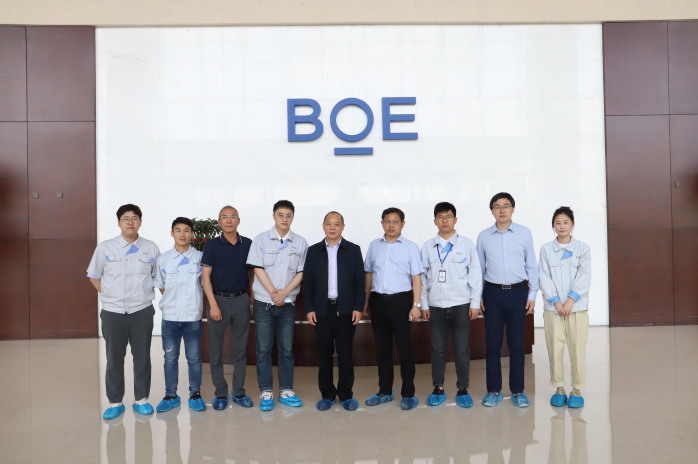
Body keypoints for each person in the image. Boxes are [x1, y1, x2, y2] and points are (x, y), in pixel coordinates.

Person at [87, 204, 160, 420]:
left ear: (140, 222)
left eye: (134, 218)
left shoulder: (150, 248)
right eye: (126, 218)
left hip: (142, 311)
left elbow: (158, 277)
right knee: (114, 358)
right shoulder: (105, 248)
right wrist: (110, 294)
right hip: (113, 312)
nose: (130, 222)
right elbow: (94, 276)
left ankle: (141, 399)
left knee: (142, 357)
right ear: (119, 222)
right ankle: (115, 402)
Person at [476, 192, 538, 408]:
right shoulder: (484, 236)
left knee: (517, 345)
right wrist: (478, 297)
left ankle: (518, 391)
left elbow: (531, 265)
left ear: (513, 209)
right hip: (492, 294)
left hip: (518, 293)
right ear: (491, 211)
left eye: (506, 206)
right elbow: (478, 269)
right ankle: (493, 390)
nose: (501, 210)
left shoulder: (524, 233)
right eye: (497, 206)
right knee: (492, 344)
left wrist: (532, 294)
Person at [246, 200, 308, 411]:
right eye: (280, 215)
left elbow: (301, 273)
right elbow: (257, 269)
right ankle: (266, 391)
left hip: (287, 303)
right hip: (264, 303)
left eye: (288, 215)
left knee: (286, 349)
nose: (284, 219)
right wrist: (274, 292)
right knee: (263, 349)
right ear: (273, 216)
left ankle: (286, 390)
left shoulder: (300, 243)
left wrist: (284, 293)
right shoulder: (260, 240)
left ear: (293, 217)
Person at [420, 202, 483, 408]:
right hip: (435, 306)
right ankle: (438, 387)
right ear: (435, 221)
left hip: (461, 305)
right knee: (437, 349)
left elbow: (475, 275)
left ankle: (462, 388)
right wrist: (424, 305)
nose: (444, 220)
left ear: (455, 220)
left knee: (461, 349)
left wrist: (474, 303)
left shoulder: (466, 245)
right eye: (440, 217)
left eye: (448, 217)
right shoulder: (427, 247)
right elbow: (422, 278)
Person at [303, 211, 365, 412]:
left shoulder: (353, 250)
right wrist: (309, 308)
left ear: (343, 227)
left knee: (346, 354)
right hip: (321, 311)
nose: (332, 227)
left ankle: (346, 394)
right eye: (329, 223)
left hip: (345, 310)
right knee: (325, 354)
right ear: (323, 226)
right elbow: (308, 283)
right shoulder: (313, 251)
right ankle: (327, 395)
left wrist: (358, 307)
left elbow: (359, 283)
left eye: (337, 224)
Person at [363, 207, 423, 411]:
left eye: (395, 221)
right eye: (387, 221)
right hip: (378, 301)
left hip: (401, 301)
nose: (391, 225)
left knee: (404, 349)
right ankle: (385, 391)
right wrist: (366, 300)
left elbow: (416, 278)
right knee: (382, 349)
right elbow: (369, 274)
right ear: (382, 223)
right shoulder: (374, 245)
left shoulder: (410, 247)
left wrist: (416, 305)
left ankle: (408, 393)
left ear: (402, 224)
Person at [201, 206, 254, 410]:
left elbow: (251, 274)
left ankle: (239, 392)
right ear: (219, 222)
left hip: (241, 300)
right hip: (218, 301)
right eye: (225, 217)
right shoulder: (212, 246)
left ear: (238, 221)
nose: (229, 220)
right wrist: (213, 304)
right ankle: (221, 393)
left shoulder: (248, 244)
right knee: (216, 352)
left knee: (240, 351)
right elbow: (205, 277)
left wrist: (250, 298)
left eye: (233, 217)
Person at [538, 206, 591, 408]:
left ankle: (576, 390)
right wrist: (557, 302)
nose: (562, 226)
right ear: (553, 225)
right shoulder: (546, 250)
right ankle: (559, 388)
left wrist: (570, 301)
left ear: (572, 224)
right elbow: (544, 277)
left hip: (577, 308)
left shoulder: (583, 249)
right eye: (558, 223)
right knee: (555, 348)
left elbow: (584, 276)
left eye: (566, 222)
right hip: (554, 309)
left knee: (577, 349)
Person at [153, 217, 206, 413]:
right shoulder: (163, 259)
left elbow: (205, 284)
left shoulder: (200, 258)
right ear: (172, 233)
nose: (182, 234)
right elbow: (161, 285)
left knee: (194, 358)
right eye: (178, 230)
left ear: (192, 234)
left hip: (193, 317)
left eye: (186, 230)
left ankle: (195, 394)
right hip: (170, 317)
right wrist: (172, 301)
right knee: (170, 358)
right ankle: (171, 396)